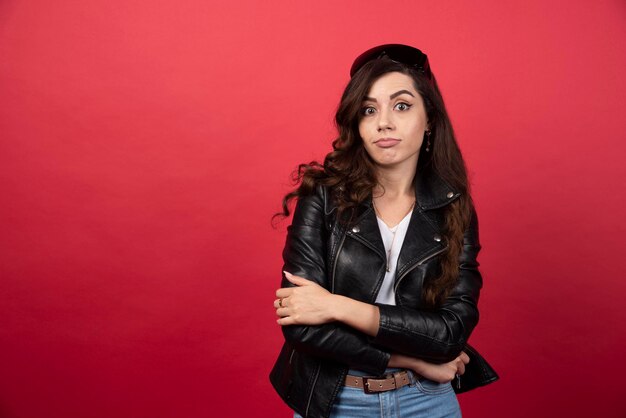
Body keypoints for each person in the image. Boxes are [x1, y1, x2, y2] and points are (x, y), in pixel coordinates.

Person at [269, 44, 497, 418]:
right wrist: (416, 360)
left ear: (430, 121)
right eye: (368, 110)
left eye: (402, 106)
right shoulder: (323, 197)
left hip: (425, 401)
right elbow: (302, 327)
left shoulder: (453, 208)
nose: (383, 122)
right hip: (335, 400)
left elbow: (451, 333)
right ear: (356, 125)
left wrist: (336, 305)